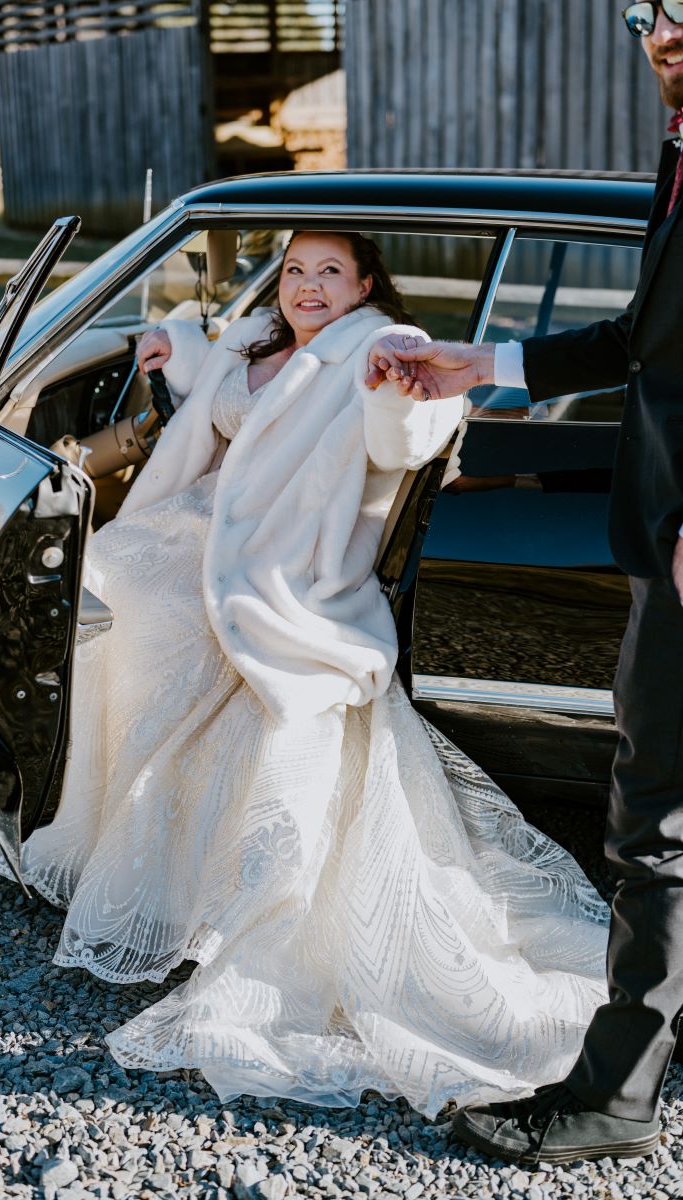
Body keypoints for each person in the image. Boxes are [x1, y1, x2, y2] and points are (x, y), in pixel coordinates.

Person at [0, 231, 610, 1119]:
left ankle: (138, 853)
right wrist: (182, 349)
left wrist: (400, 391)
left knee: (132, 612)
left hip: (275, 568)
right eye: (294, 270)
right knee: (93, 583)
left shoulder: (374, 348)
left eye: (331, 272)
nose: (307, 287)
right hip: (201, 532)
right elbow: (233, 395)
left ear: (368, 285)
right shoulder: (257, 340)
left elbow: (407, 434)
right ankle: (74, 806)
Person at [372, 1, 683, 1165]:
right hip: (653, 527)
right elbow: (640, 343)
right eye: (647, 11)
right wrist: (480, 362)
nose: (661, 30)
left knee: (656, 821)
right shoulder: (677, 149)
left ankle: (611, 1098)